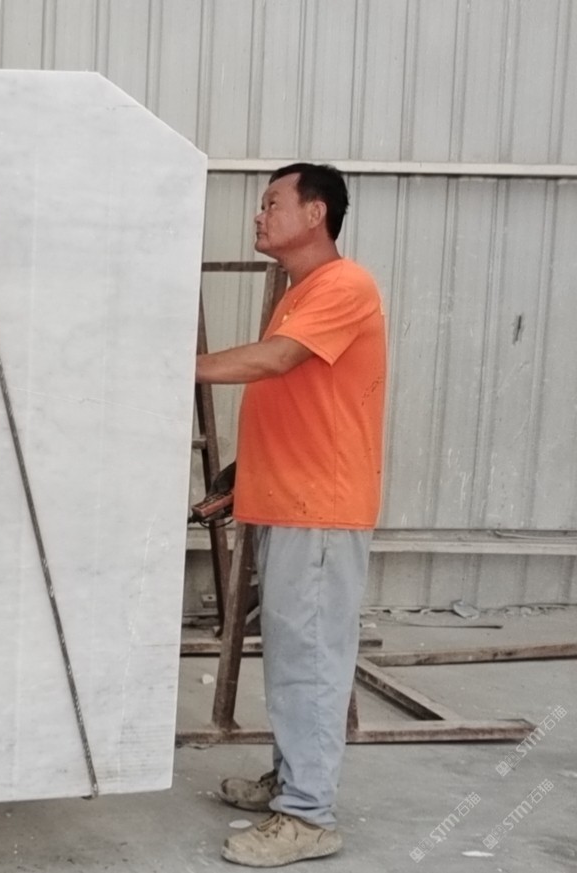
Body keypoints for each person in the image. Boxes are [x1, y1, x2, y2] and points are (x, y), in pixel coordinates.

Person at [195, 163, 387, 867]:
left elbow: (276, 362)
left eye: (272, 201)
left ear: (315, 213)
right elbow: (303, 398)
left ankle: (308, 817)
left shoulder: (344, 284)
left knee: (309, 662)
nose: (259, 213)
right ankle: (292, 780)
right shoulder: (301, 292)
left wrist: (173, 365)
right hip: (288, 502)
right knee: (292, 656)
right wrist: (244, 473)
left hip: (319, 510)